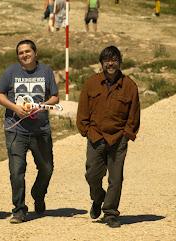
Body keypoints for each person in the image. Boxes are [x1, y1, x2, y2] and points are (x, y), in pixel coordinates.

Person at [0, 39, 59, 224]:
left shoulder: (46, 71)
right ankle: (19, 210)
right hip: (16, 130)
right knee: (17, 171)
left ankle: (38, 194)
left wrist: (41, 106)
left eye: (27, 51)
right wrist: (14, 107)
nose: (24, 55)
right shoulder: (11, 72)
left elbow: (55, 97)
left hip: (40, 130)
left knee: (46, 168)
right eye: (20, 53)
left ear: (35, 53)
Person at [76, 46, 140, 228]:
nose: (110, 63)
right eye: (107, 60)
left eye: (114, 59)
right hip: (96, 137)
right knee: (92, 175)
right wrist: (86, 131)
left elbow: (134, 114)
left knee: (116, 178)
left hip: (118, 139)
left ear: (120, 62)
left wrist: (126, 134)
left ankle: (110, 212)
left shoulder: (129, 86)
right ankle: (98, 199)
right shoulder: (91, 83)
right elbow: (82, 112)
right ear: (101, 63)